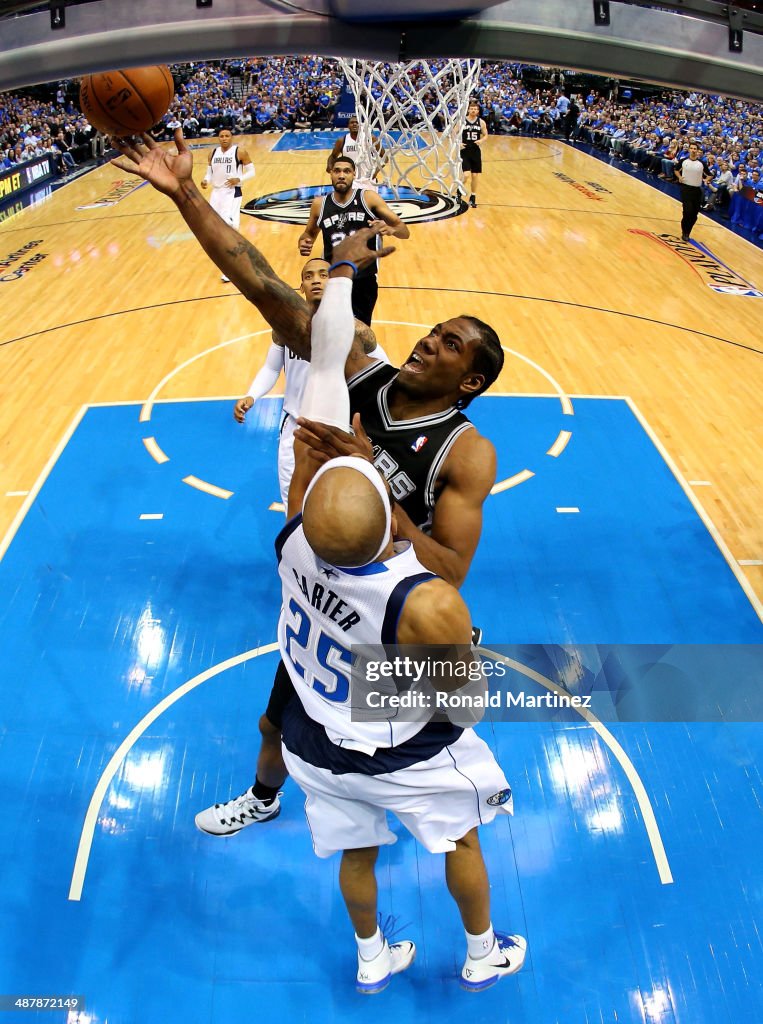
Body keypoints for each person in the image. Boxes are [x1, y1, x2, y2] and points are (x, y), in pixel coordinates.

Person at [110, 133, 503, 833]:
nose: (426, 341)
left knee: (400, 764)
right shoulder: (363, 374)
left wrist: (374, 485)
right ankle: (263, 800)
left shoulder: (466, 453)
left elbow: (449, 571)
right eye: (434, 330)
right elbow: (262, 284)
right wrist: (185, 194)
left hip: (392, 621)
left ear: (468, 381)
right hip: (323, 600)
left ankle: (444, 831)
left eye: (447, 344)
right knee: (273, 724)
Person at [273, 243, 527, 994]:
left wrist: (341, 272)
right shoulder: (422, 603)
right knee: (461, 837)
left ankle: (371, 956)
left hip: (315, 731)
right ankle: (481, 954)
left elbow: (311, 470)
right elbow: (462, 697)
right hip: (395, 720)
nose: (427, 340)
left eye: (449, 342)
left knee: (357, 854)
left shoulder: (291, 544)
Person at [233, 256, 387, 508]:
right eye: (309, 276)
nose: (316, 280)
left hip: (338, 429)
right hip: (295, 427)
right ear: (301, 287)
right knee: (293, 504)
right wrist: (252, 395)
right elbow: (272, 368)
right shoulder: (284, 328)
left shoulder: (356, 330)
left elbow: (383, 371)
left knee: (337, 505)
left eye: (324, 275)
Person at [297, 155, 410, 326]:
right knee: (329, 330)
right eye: (337, 171)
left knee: (361, 334)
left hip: (363, 279)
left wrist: (392, 229)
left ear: (354, 175)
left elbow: (404, 231)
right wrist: (304, 242)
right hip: (332, 280)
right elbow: (308, 234)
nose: (341, 175)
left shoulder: (368, 198)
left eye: (347, 171)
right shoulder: (320, 205)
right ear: (331, 174)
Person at [200, 128, 254, 281]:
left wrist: (239, 179)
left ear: (232, 137)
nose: (224, 138)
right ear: (218, 138)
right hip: (216, 194)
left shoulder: (239, 152)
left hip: (232, 193)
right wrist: (206, 181)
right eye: (221, 136)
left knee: (230, 228)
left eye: (227, 136)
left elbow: (252, 171)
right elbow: (209, 173)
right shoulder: (213, 153)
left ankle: (235, 266)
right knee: (217, 230)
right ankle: (234, 263)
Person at [326, 114, 385, 190]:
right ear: (348, 126)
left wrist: (376, 171)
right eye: (352, 122)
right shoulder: (342, 141)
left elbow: (384, 158)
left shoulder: (371, 139)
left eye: (357, 122)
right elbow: (333, 156)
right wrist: (330, 167)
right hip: (350, 180)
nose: (354, 124)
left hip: (368, 180)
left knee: (369, 202)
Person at [675, 140, 706, 241]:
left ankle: (688, 231)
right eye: (691, 148)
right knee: (687, 211)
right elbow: (676, 169)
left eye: (695, 149)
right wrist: (679, 176)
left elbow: (709, 174)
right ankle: (685, 232)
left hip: (697, 190)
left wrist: (707, 179)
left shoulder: (701, 163)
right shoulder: (683, 161)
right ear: (689, 149)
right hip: (686, 189)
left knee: (694, 215)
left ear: (697, 151)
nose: (693, 150)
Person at [461, 99, 488, 209]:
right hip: (465, 149)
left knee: (475, 175)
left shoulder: (481, 122)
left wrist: (482, 141)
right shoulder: (462, 121)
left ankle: (473, 196)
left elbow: (486, 135)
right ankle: (459, 189)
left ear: (478, 111)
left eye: (475, 109)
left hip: (475, 150)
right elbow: (453, 132)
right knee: (466, 175)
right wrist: (458, 143)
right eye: (471, 109)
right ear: (468, 110)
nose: (473, 110)